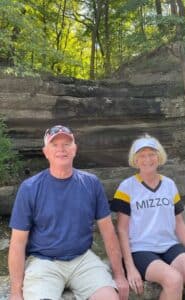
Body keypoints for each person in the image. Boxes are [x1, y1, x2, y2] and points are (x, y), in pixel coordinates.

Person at [8, 125, 129, 300]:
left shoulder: (91, 183)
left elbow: (108, 232)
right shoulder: (29, 188)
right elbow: (18, 243)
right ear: (46, 152)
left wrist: (119, 275)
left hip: (82, 259)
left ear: (75, 149)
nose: (61, 149)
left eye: (66, 144)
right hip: (44, 262)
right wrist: (15, 291)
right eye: (54, 145)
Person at [110, 134, 185, 300]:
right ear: (135, 160)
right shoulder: (127, 187)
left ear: (159, 157)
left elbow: (179, 223)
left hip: (169, 246)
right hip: (140, 249)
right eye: (142, 155)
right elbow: (121, 230)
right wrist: (130, 268)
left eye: (152, 154)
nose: (147, 159)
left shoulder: (169, 184)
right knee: (174, 279)